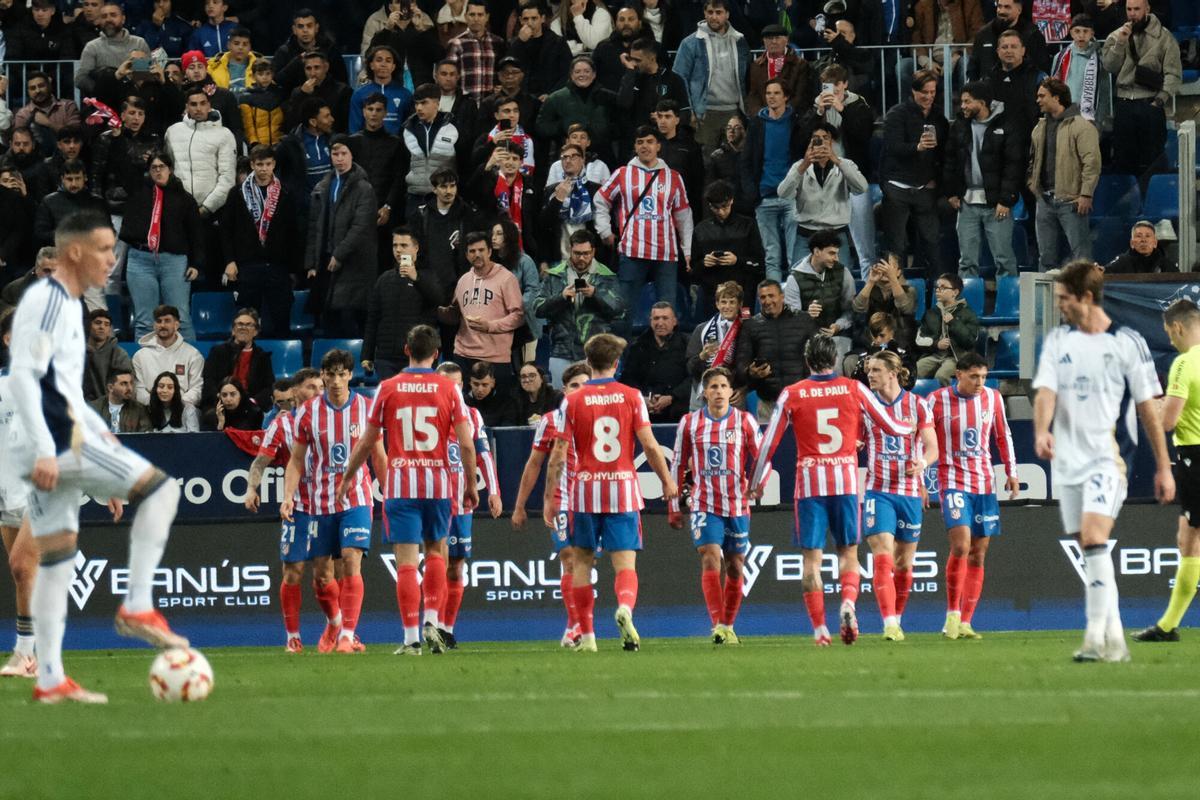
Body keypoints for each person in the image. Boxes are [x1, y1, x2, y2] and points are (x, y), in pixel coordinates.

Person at [9, 209, 187, 703]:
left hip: (55, 441)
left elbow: (61, 387)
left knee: (58, 559)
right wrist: (49, 449)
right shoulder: (49, 302)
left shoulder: (68, 304)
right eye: (105, 249)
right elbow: (25, 376)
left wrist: (101, 434)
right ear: (74, 252)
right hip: (57, 444)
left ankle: (49, 678)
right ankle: (136, 605)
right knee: (160, 490)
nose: (113, 259)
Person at [1032, 260, 1174, 661]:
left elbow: (1149, 407)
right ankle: (1116, 642)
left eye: (1063, 298)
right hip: (1067, 463)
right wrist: (1042, 430)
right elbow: (1045, 392)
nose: (1058, 305)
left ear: (1086, 297)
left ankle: (1094, 639)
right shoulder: (1059, 341)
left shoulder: (1127, 343)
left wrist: (1163, 466)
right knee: (1089, 548)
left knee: (1094, 538)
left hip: (1107, 459)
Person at [751, 334, 912, 646]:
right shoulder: (854, 388)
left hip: (810, 484)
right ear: (835, 360)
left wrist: (756, 481)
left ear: (808, 360)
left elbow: (769, 441)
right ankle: (849, 603)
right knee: (848, 554)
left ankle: (820, 630)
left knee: (811, 561)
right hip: (846, 482)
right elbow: (889, 425)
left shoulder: (793, 393)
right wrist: (913, 427)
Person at [337, 324, 478, 655]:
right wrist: (471, 484)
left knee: (406, 563)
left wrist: (348, 476)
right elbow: (467, 445)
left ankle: (411, 639)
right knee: (435, 552)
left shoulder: (387, 387)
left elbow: (368, 440)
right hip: (439, 484)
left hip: (401, 484)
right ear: (436, 354)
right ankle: (432, 617)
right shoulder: (448, 389)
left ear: (406, 350)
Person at [544, 332, 678, 652]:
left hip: (584, 489)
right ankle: (625, 608)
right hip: (622, 487)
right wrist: (667, 481)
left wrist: (550, 498)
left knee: (582, 564)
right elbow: (649, 443)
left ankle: (587, 636)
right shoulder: (631, 396)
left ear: (588, 363)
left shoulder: (572, 400)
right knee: (625, 564)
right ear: (617, 363)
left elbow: (559, 453)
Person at [282, 349, 386, 653]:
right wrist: (288, 496)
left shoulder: (368, 408)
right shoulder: (308, 413)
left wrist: (391, 494)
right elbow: (296, 461)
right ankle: (336, 624)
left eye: (343, 374)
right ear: (323, 376)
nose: (338, 381)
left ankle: (347, 635)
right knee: (322, 575)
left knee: (352, 560)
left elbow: (378, 455)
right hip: (320, 503)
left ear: (350, 375)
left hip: (357, 497)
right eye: (332, 374)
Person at [927, 352, 1019, 640]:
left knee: (979, 553)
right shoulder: (937, 400)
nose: (980, 382)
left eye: (983, 376)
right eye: (974, 376)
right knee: (961, 545)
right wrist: (918, 476)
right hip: (952, 480)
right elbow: (922, 439)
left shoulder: (993, 398)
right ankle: (952, 615)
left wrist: (1011, 471)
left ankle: (966, 621)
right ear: (959, 375)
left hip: (983, 484)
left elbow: (1003, 435)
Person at [668, 365, 761, 644]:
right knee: (710, 555)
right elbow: (678, 462)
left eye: (723, 386)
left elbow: (762, 456)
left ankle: (728, 624)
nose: (718, 391)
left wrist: (758, 482)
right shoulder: (690, 422)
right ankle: (717, 624)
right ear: (704, 393)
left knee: (735, 564)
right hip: (704, 502)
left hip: (736, 503)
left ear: (731, 392)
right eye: (713, 387)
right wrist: (674, 505)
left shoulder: (744, 421)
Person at [511, 360, 592, 646]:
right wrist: (520, 505)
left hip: (593, 499)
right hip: (562, 498)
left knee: (584, 562)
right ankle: (576, 628)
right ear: (564, 390)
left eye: (584, 384)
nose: (579, 390)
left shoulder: (602, 415)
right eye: (573, 386)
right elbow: (534, 464)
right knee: (569, 559)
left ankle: (579, 625)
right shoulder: (550, 420)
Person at [861, 351, 938, 640]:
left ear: (893, 373)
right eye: (870, 370)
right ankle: (889, 622)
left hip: (909, 493)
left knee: (904, 563)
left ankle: (898, 617)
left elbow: (933, 447)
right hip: (878, 490)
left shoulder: (918, 405)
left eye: (877, 370)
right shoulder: (865, 406)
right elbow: (854, 438)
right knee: (882, 553)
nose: (871, 375)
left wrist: (924, 463)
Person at [242, 366, 320, 650]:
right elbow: (261, 461)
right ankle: (293, 637)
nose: (318, 392)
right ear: (297, 391)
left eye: (320, 387)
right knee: (293, 571)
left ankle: (341, 632)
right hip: (297, 505)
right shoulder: (282, 423)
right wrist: (252, 488)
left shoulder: (335, 415)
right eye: (311, 387)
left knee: (331, 574)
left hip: (331, 505)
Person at [1135, 300, 1200, 643]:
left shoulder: (1184, 364)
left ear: (1176, 328)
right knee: (1185, 538)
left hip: (1196, 456)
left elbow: (1169, 421)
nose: (1170, 340)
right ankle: (1167, 625)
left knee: (1191, 543)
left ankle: (1167, 626)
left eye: (1168, 334)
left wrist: (1153, 407)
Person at [594, 125, 692, 335]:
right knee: (622, 312)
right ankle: (619, 364)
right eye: (640, 142)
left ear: (658, 146)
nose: (644, 146)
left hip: (666, 254)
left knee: (667, 312)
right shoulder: (622, 174)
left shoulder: (673, 177)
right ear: (634, 147)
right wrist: (604, 231)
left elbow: (684, 216)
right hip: (632, 252)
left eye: (649, 141)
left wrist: (688, 250)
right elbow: (600, 200)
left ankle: (667, 361)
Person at [432, 362, 502, 648]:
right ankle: (429, 622)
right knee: (435, 562)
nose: (453, 389)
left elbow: (483, 454)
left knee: (455, 566)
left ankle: (446, 628)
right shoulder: (426, 415)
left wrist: (494, 492)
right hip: (433, 500)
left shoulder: (472, 415)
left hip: (461, 502)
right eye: (447, 383)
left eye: (457, 384)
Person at [119, 151, 204, 341]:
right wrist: (118, 139)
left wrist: (197, 263)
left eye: (162, 167)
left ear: (171, 170)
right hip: (140, 260)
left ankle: (193, 367)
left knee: (180, 317)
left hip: (173, 262)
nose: (158, 171)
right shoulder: (138, 190)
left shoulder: (184, 198)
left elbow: (196, 234)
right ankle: (143, 368)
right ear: (148, 171)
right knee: (144, 320)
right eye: (153, 168)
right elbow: (122, 167)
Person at [943, 80, 1023, 279]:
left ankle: (1011, 303)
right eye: (962, 102)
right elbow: (950, 160)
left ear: (982, 102)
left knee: (1004, 258)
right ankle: (965, 304)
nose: (963, 106)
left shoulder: (1006, 124)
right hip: (967, 203)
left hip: (997, 204)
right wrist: (951, 192)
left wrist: (1006, 199)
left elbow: (1013, 165)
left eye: (967, 101)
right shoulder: (960, 125)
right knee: (967, 260)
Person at [220, 145, 303, 338]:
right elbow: (225, 230)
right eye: (259, 164)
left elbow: (295, 233)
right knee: (246, 323)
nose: (264, 169)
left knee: (281, 321)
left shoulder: (286, 193)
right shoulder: (237, 193)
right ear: (252, 165)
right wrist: (229, 261)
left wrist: (293, 268)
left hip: (278, 266)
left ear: (274, 164)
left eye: (268, 164)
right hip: (248, 265)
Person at [305, 136, 378, 336]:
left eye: (343, 153)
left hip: (355, 264)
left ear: (352, 155)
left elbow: (360, 227)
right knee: (329, 323)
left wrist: (339, 254)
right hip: (327, 263)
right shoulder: (323, 185)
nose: (339, 159)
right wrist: (312, 263)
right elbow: (314, 226)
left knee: (352, 320)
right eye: (335, 154)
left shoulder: (364, 188)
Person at [165, 84, 237, 283]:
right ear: (186, 107)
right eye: (193, 104)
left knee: (209, 272)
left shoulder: (224, 135)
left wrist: (205, 208)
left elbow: (227, 179)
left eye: (202, 103)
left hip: (210, 215)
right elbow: (167, 171)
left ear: (209, 105)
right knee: (181, 274)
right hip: (179, 215)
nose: (198, 108)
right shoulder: (172, 132)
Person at [1101, 0, 1181, 179]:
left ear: (1147, 9)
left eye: (1137, 9)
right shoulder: (1116, 36)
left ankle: (1153, 203)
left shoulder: (1164, 37)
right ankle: (1130, 205)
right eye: (1129, 9)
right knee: (1124, 161)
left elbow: (1173, 73)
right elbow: (1109, 67)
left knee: (1153, 162)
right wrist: (1120, 43)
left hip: (1150, 103)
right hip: (1124, 104)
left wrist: (1159, 100)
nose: (1132, 13)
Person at [438, 231, 525, 395]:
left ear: (490, 251)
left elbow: (519, 316)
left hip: (495, 358)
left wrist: (490, 326)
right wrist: (441, 312)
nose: (477, 255)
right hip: (463, 355)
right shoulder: (463, 280)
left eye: (481, 250)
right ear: (466, 255)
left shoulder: (506, 278)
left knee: (495, 413)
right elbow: (456, 314)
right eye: (472, 251)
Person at [0, 316, 39, 678]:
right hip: (5, 494)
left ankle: (24, 654)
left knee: (22, 566)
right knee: (23, 577)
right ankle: (35, 655)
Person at [880, 70, 947, 279]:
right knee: (896, 245)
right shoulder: (896, 114)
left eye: (932, 92)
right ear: (913, 91)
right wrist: (916, 147)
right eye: (924, 92)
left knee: (933, 242)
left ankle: (939, 293)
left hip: (925, 188)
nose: (928, 97)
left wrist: (937, 181)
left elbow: (945, 152)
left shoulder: (939, 117)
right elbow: (892, 147)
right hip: (897, 187)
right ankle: (894, 293)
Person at [534, 229, 624, 386]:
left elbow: (619, 311)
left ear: (593, 251)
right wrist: (561, 297)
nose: (582, 258)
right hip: (561, 351)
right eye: (577, 253)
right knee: (561, 401)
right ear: (570, 250)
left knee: (595, 403)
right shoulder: (554, 275)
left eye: (586, 253)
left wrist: (595, 294)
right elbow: (537, 308)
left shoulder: (607, 276)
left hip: (595, 355)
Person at [1028, 78, 1100, 271]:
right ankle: (1045, 300)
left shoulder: (1082, 127)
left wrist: (1086, 194)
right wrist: (1033, 184)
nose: (1038, 100)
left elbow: (1091, 163)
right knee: (1046, 257)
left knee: (1081, 256)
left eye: (1042, 96)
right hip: (1044, 199)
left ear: (1057, 97)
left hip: (1072, 201)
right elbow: (1033, 160)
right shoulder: (1039, 127)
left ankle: (1085, 297)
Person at [778, 122, 867, 269]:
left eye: (825, 138)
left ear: (832, 141)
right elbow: (783, 193)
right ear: (810, 142)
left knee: (841, 282)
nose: (821, 142)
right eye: (816, 138)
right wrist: (804, 165)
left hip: (836, 234)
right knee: (799, 279)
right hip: (806, 234)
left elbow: (861, 188)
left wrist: (837, 161)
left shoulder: (845, 164)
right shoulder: (800, 166)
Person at [741, 78, 805, 283]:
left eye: (776, 93)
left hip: (791, 197)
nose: (772, 97)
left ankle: (794, 304)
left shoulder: (796, 121)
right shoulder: (757, 124)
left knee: (794, 257)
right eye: (768, 93)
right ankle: (774, 304)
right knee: (771, 257)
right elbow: (746, 161)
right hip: (765, 197)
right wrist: (753, 194)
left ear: (785, 96)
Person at [363, 227, 445, 381]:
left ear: (416, 248)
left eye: (404, 245)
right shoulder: (384, 279)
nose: (398, 250)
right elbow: (373, 319)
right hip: (386, 357)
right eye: (395, 245)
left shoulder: (429, 276)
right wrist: (366, 355)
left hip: (419, 355)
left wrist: (416, 278)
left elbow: (439, 300)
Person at [671, 0, 750, 151]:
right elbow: (679, 79)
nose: (714, 17)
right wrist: (690, 111)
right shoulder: (689, 44)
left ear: (727, 14)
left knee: (733, 161)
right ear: (704, 13)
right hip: (704, 114)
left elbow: (746, 77)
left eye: (718, 12)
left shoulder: (740, 41)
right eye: (710, 12)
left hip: (734, 112)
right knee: (705, 164)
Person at [735, 279, 816, 422]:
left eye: (771, 296)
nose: (767, 301)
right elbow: (741, 362)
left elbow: (818, 355)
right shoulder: (750, 326)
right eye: (763, 297)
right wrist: (750, 372)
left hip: (802, 400)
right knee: (770, 445)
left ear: (782, 296)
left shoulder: (804, 320)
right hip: (768, 403)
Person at [689, 180, 763, 316]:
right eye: (716, 208)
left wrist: (737, 260)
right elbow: (694, 270)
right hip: (712, 296)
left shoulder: (748, 225)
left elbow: (759, 263)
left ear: (732, 201)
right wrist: (704, 263)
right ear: (710, 206)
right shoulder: (701, 230)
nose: (721, 211)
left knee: (745, 330)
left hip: (744, 293)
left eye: (725, 206)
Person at [783, 229, 856, 367]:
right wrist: (806, 315)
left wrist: (838, 326)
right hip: (806, 340)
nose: (837, 258)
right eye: (831, 253)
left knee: (837, 370)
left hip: (838, 336)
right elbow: (790, 318)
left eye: (837, 253)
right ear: (817, 252)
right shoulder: (794, 279)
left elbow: (850, 310)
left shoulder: (843, 273)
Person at [397, 83, 461, 222]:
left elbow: (463, 163)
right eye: (416, 104)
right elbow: (400, 167)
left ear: (437, 103)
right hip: (415, 198)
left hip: (444, 197)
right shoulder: (407, 130)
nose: (419, 108)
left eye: (424, 103)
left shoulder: (453, 128)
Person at [616, 36, 691, 152]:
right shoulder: (631, 77)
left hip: (666, 143)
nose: (634, 64)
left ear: (651, 58)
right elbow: (623, 103)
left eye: (638, 60)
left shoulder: (673, 79)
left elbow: (684, 113)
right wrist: (630, 72)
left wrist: (665, 120)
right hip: (638, 142)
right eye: (632, 59)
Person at [622, 301, 691, 423]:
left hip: (678, 409)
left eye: (665, 318)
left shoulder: (687, 344)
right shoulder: (638, 345)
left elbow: (693, 378)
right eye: (656, 318)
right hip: (645, 408)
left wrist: (672, 397)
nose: (660, 323)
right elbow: (628, 378)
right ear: (650, 321)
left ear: (674, 321)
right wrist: (643, 399)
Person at [200, 309, 276, 414]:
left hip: (250, 406)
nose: (243, 328)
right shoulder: (218, 352)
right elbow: (209, 381)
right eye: (240, 324)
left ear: (256, 332)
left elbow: (268, 388)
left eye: (249, 325)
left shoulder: (262, 357)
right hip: (221, 404)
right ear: (233, 330)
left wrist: (252, 401)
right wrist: (224, 398)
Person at [132, 304, 204, 408]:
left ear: (177, 325)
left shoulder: (193, 355)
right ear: (154, 325)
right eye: (159, 321)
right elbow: (138, 389)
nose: (162, 325)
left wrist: (177, 403)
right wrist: (155, 404)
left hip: (182, 408)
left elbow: (197, 388)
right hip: (149, 409)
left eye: (167, 321)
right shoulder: (140, 356)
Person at [915, 274, 981, 385]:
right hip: (935, 355)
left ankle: (946, 401)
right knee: (914, 371)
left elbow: (970, 341)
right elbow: (919, 339)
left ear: (955, 292)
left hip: (956, 357)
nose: (938, 290)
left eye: (943, 287)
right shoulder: (931, 313)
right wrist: (936, 344)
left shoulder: (967, 313)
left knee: (941, 376)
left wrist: (953, 322)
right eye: (937, 287)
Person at [75, 3, 151, 95]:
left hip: (133, 101)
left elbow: (143, 79)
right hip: (104, 103)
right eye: (104, 16)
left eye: (113, 15)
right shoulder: (92, 47)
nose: (108, 19)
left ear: (123, 19)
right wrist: (102, 91)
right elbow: (80, 79)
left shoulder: (139, 43)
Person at [33, 160, 110, 249]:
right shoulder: (49, 202)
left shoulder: (98, 203)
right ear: (62, 179)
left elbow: (108, 232)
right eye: (69, 179)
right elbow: (40, 234)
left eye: (77, 178)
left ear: (85, 178)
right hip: (59, 255)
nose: (74, 183)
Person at [1051, 14, 1111, 129]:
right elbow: (1053, 88)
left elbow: (1104, 92)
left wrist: (1099, 120)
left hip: (1090, 117)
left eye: (1085, 31)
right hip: (1065, 114)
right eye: (1077, 31)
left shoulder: (1100, 59)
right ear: (1071, 33)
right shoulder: (1060, 57)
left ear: (1092, 33)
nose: (1081, 35)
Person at [968, 0, 1051, 80]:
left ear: (1019, 9)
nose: (1001, 11)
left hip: (1023, 90)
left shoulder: (1033, 35)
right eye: (999, 6)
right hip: (989, 90)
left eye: (1007, 7)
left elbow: (1041, 68)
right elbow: (973, 69)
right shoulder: (983, 34)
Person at [507, 1, 573, 100]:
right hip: (522, 99)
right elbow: (508, 68)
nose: (529, 23)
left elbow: (567, 73)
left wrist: (551, 94)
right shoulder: (515, 43)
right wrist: (519, 42)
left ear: (542, 18)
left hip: (550, 98)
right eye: (526, 19)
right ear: (520, 20)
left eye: (534, 18)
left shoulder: (558, 43)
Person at [446, 1, 507, 101]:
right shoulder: (456, 43)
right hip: (465, 104)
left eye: (480, 15)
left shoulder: (498, 42)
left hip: (491, 104)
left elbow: (503, 72)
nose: (476, 19)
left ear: (487, 17)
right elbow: (449, 78)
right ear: (465, 17)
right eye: (472, 14)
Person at [746, 23, 812, 116]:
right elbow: (753, 95)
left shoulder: (800, 64)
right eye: (769, 38)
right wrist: (760, 114)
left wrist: (781, 113)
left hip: (791, 117)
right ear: (764, 41)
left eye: (777, 38)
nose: (773, 41)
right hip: (763, 118)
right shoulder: (756, 65)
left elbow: (800, 96)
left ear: (786, 40)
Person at [350, 45, 414, 136]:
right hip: (367, 147)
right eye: (379, 60)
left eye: (388, 61)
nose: (383, 64)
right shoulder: (359, 94)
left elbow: (410, 128)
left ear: (393, 66)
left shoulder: (405, 95)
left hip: (397, 147)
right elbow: (354, 129)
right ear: (371, 65)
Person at [12, 73, 80, 159]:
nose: (37, 91)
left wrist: (49, 123)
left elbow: (75, 135)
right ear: (28, 92)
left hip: (67, 159)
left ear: (49, 86)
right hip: (35, 163)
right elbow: (19, 143)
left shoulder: (68, 106)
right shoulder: (23, 114)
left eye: (41, 86)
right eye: (33, 88)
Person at [83, 308, 132, 402]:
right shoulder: (77, 352)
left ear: (110, 329)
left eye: (106, 324)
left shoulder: (119, 355)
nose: (102, 327)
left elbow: (126, 388)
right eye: (98, 323)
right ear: (89, 325)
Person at [89, 368, 152, 433]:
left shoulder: (140, 410)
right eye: (124, 384)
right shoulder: (93, 408)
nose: (130, 388)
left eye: (131, 383)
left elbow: (145, 438)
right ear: (110, 388)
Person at [240, 59, 286, 147]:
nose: (265, 77)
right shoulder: (246, 97)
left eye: (268, 73)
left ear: (272, 75)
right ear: (253, 76)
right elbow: (248, 125)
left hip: (279, 143)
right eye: (260, 74)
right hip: (258, 145)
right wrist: (254, 142)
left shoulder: (280, 93)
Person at [1104, 220, 1177, 274]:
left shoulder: (1166, 265)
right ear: (1132, 243)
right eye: (1139, 236)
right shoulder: (1122, 262)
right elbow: (1105, 274)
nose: (1143, 240)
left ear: (1155, 243)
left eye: (1148, 236)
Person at [206, 26, 258, 96]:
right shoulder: (212, 68)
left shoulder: (261, 67)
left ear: (250, 47)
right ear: (229, 45)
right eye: (236, 43)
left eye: (245, 44)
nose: (240, 47)